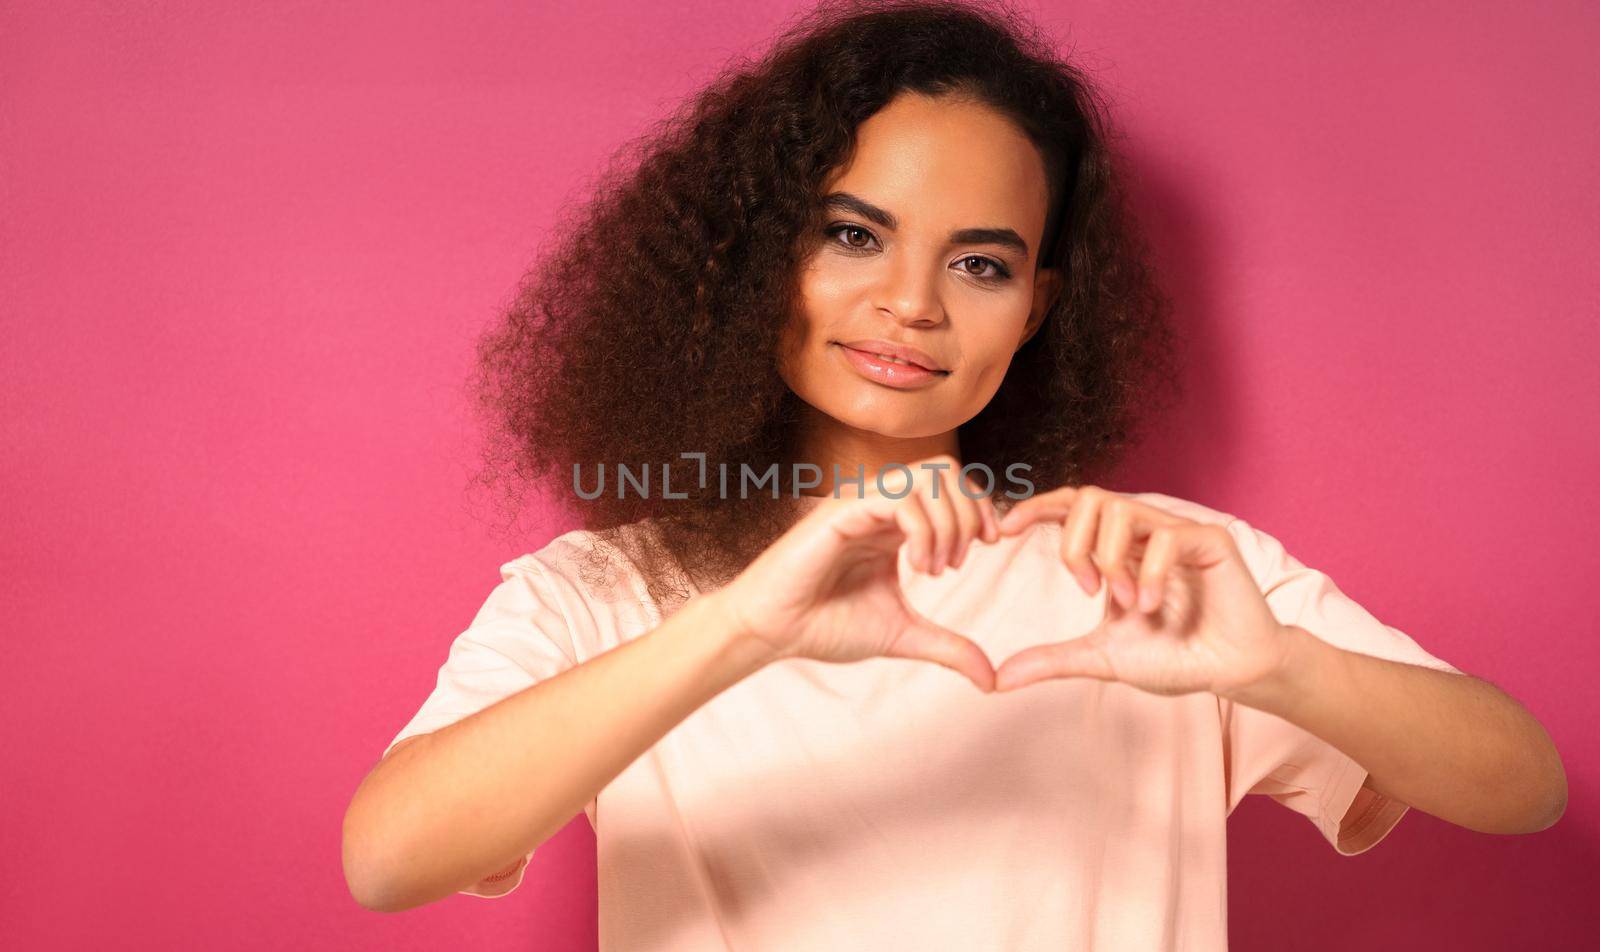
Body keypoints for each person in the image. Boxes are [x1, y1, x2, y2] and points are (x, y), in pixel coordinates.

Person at [341, 1, 1567, 947]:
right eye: (852, 234)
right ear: (759, 254)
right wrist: (741, 627)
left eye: (980, 264)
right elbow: (389, 859)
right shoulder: (604, 589)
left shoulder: (1158, 568)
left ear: (1038, 306)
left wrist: (1281, 666)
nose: (909, 305)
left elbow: (1523, 787)